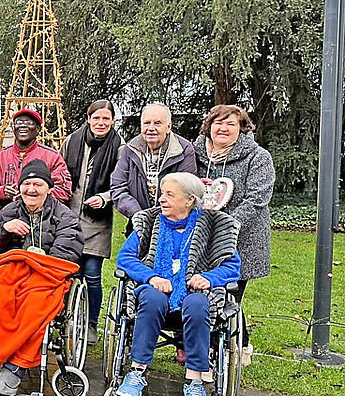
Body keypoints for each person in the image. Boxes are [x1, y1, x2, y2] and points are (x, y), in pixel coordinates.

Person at [114, 173, 241, 396]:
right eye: (162, 193)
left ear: (190, 200)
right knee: (151, 299)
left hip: (196, 292)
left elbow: (232, 266)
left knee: (197, 305)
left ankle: (195, 382)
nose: (162, 199)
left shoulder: (214, 225)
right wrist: (151, 276)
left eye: (169, 195)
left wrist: (208, 278)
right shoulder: (149, 221)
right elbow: (126, 258)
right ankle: (135, 373)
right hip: (156, 289)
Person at [0, 159, 85, 396]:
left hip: (46, 275)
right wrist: (4, 230)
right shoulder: (9, 211)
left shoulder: (65, 216)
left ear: (49, 188)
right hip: (13, 272)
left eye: (38, 184)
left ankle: (15, 367)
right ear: (19, 186)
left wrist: (39, 257)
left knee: (35, 303)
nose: (31, 189)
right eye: (27, 183)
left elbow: (69, 254)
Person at [192, 105, 275, 303]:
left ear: (242, 128)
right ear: (208, 127)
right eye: (218, 123)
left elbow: (257, 200)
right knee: (198, 294)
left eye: (231, 124)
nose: (223, 128)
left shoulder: (258, 157)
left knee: (229, 299)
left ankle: (232, 334)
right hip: (199, 237)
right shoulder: (194, 154)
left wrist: (223, 227)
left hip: (242, 240)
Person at [60, 100, 125, 341]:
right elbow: (60, 172)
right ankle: (68, 316)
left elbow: (120, 182)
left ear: (112, 121)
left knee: (92, 274)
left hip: (97, 220)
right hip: (69, 216)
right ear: (88, 119)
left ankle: (91, 324)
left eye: (105, 119)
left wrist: (105, 197)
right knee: (69, 272)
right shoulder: (72, 141)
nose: (100, 123)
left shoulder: (119, 147)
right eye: (96, 118)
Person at [110, 102, 197, 231]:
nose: (151, 128)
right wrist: (139, 215)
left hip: (175, 227)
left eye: (157, 123)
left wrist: (161, 218)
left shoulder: (184, 150)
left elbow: (185, 191)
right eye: (146, 123)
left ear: (169, 127)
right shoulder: (130, 149)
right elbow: (118, 186)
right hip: (138, 225)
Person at [0, 108, 71, 207]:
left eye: (29, 122)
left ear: (38, 129)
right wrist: (2, 192)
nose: (23, 125)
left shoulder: (52, 157)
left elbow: (64, 190)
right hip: (8, 216)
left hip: (43, 217)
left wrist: (33, 195)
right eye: (19, 122)